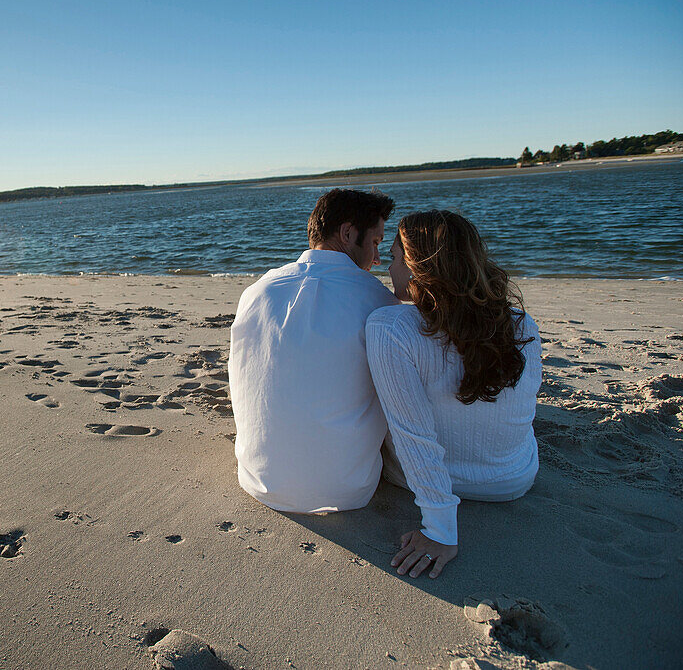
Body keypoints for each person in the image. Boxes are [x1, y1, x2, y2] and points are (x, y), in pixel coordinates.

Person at [366, 211, 541, 579]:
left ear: (418, 269)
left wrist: (441, 530)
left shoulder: (390, 327)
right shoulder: (522, 324)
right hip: (513, 478)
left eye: (396, 258)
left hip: (415, 481)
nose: (389, 268)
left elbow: (413, 435)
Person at [230, 188, 398, 514]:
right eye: (376, 242)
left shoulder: (257, 292)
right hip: (349, 490)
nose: (377, 259)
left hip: (257, 479)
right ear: (348, 233)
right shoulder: (378, 300)